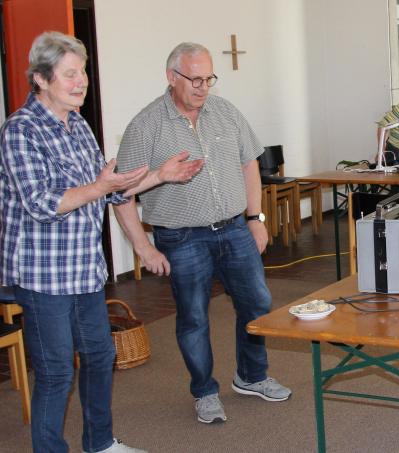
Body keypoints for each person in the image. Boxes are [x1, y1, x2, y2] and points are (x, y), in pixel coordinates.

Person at [0, 31, 201, 453]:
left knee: (99, 357)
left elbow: (111, 189)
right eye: (70, 74)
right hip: (43, 277)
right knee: (55, 373)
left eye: (84, 72)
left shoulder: (77, 125)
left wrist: (159, 175)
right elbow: (42, 203)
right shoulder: (20, 131)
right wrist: (100, 185)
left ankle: (100, 443)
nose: (81, 82)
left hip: (84, 271)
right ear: (40, 79)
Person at [113, 42, 291, 425]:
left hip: (233, 229)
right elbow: (119, 193)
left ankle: (251, 376)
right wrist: (143, 247)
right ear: (171, 77)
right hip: (181, 238)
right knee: (193, 317)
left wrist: (255, 217)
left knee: (258, 304)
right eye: (194, 78)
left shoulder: (225, 112)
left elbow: (249, 163)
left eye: (209, 78)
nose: (203, 87)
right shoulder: (145, 126)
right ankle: (205, 391)